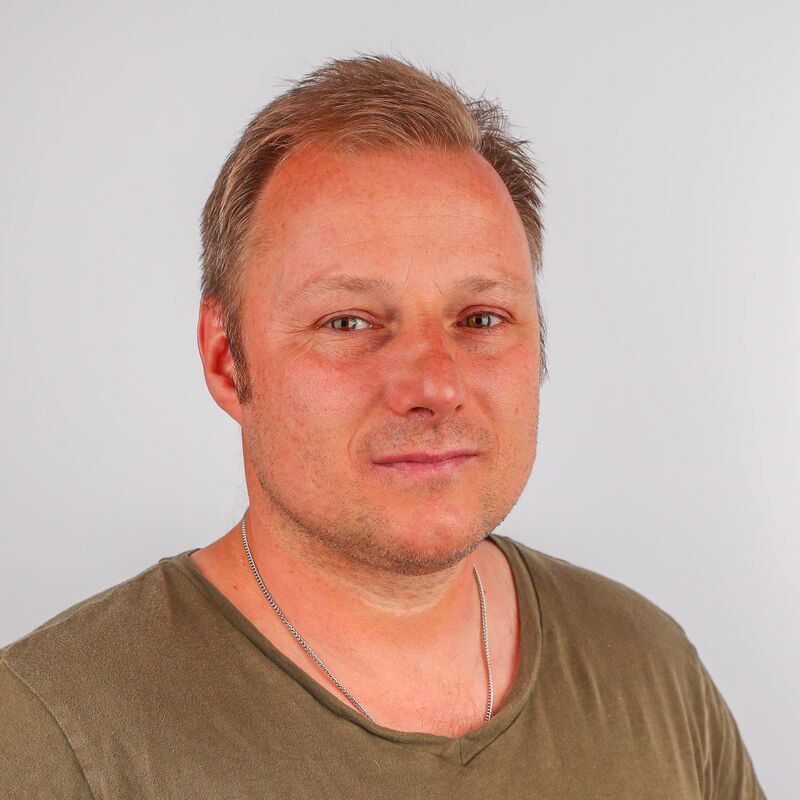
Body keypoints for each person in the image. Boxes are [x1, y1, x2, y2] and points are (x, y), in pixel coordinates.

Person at [0, 53, 765, 798]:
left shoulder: (649, 665)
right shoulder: (51, 733)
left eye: (481, 317)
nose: (435, 386)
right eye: (349, 321)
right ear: (227, 359)